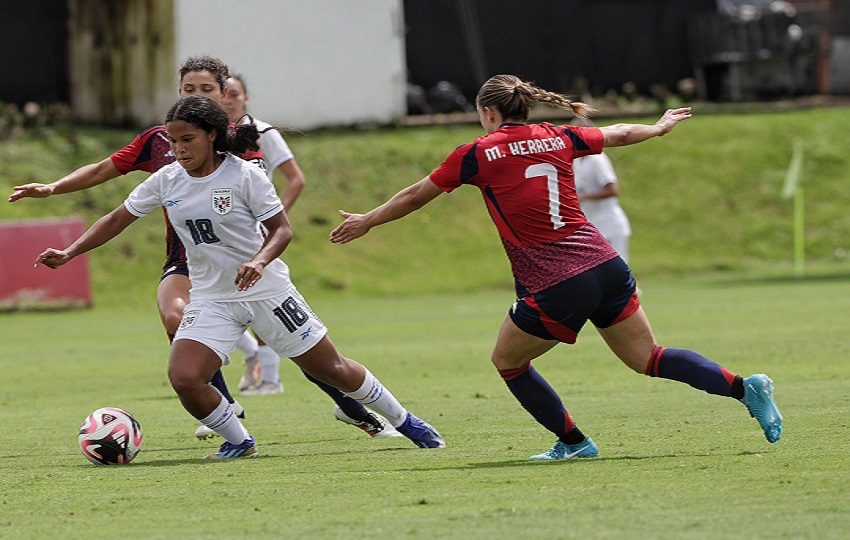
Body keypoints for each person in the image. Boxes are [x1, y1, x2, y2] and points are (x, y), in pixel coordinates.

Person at [330, 74, 782, 460]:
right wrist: (659, 127)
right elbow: (620, 133)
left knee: (508, 361)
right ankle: (746, 388)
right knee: (648, 357)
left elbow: (414, 196)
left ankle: (573, 442)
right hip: (606, 264)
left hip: (557, 278)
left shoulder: (477, 152)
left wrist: (368, 220)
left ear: (489, 112)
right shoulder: (559, 135)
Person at [9, 56, 399, 441]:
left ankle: (347, 403)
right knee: (174, 316)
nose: (199, 95)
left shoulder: (238, 146)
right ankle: (227, 405)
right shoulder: (160, 139)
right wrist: (53, 187)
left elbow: (270, 211)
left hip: (243, 262)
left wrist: (261, 255)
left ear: (224, 92)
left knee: (300, 349)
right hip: (185, 261)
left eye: (207, 89)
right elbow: (103, 170)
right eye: (188, 89)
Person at [571, 119, 632, 262]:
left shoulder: (596, 159)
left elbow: (612, 190)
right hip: (595, 226)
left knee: (619, 279)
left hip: (611, 225)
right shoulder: (578, 162)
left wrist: (585, 197)